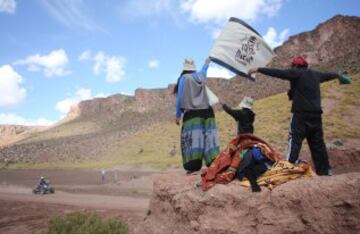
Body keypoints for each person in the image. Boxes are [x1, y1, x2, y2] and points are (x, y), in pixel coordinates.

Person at [248, 55, 347, 176]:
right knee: (318, 144)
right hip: (316, 115)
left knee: (294, 140)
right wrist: (339, 75)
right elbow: (330, 75)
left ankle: (289, 167)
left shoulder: (296, 73)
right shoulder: (316, 75)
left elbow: (278, 73)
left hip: (300, 114)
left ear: (295, 66)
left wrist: (258, 69)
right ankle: (325, 171)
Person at [174, 57, 220, 174]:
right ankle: (213, 164)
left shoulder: (183, 78)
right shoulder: (200, 76)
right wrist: (207, 62)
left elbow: (180, 98)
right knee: (209, 138)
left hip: (193, 114)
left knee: (192, 139)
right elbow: (204, 70)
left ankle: (192, 167)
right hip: (208, 112)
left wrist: (178, 115)